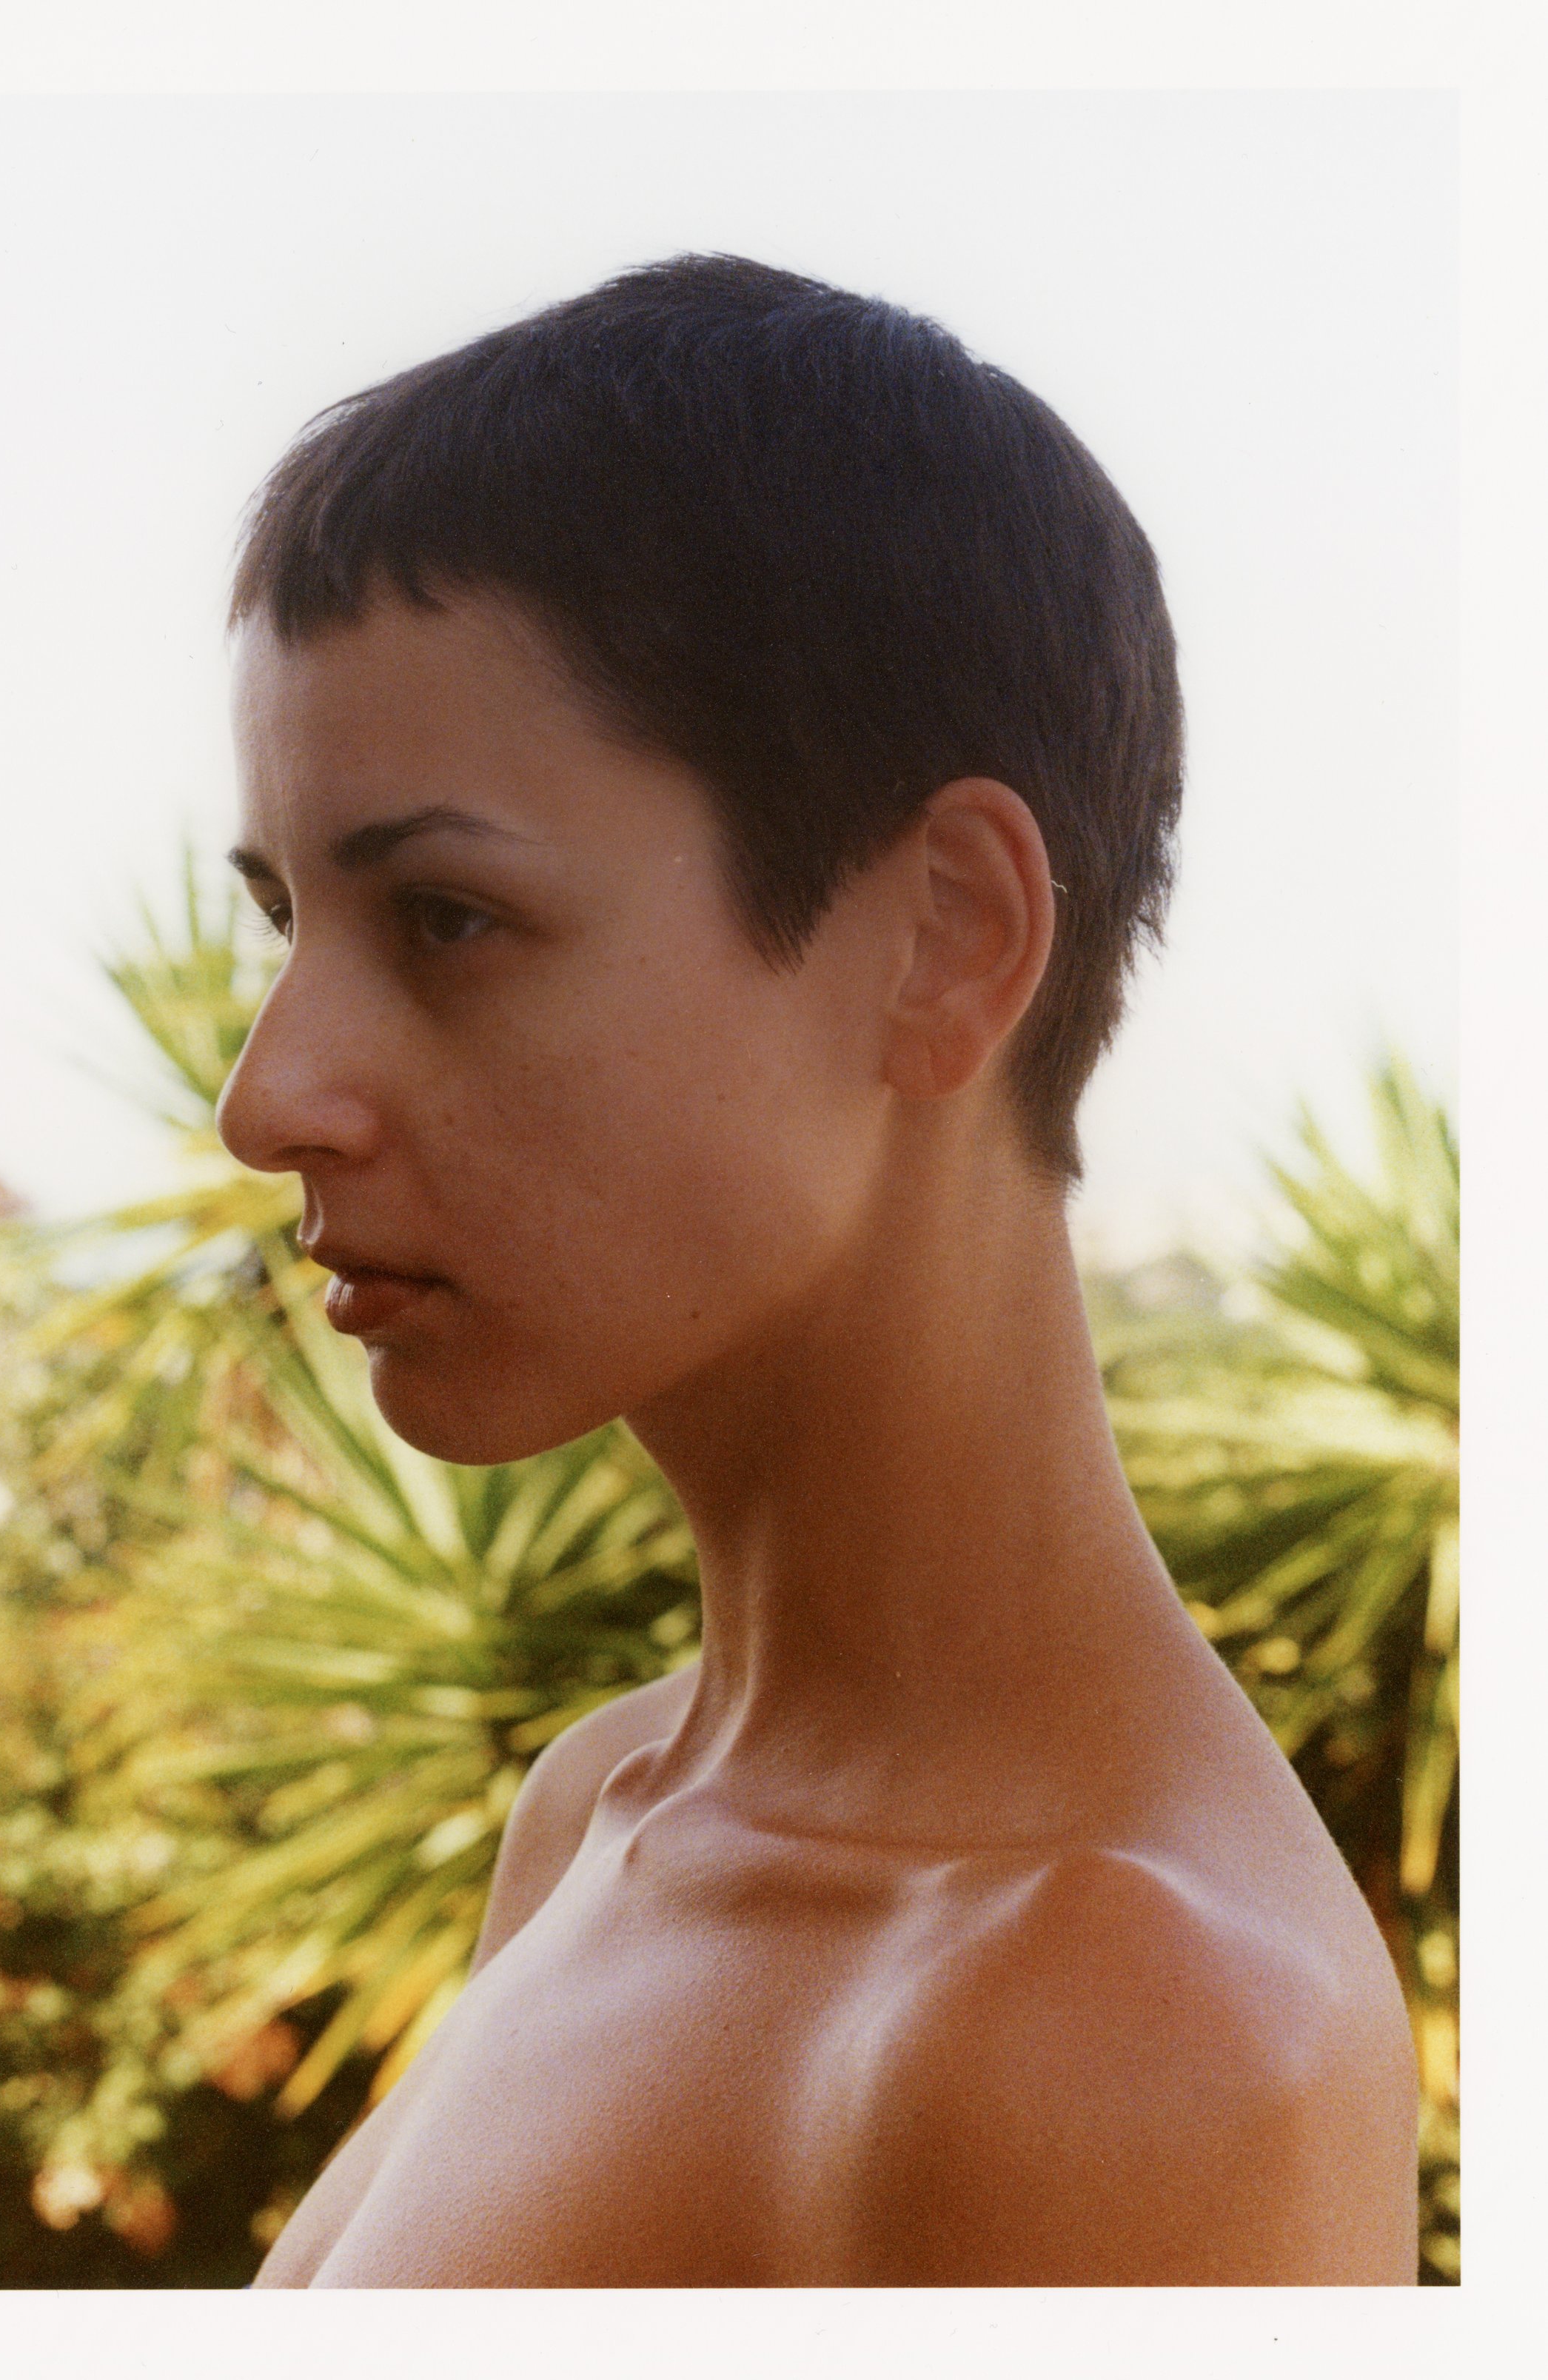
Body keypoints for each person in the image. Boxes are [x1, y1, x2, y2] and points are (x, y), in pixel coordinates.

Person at [214, 255, 1418, 2286]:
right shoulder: (601, 1810)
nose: (268, 1100)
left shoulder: (1138, 2043)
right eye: (285, 923)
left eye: (444, 919)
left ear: (944, 934)